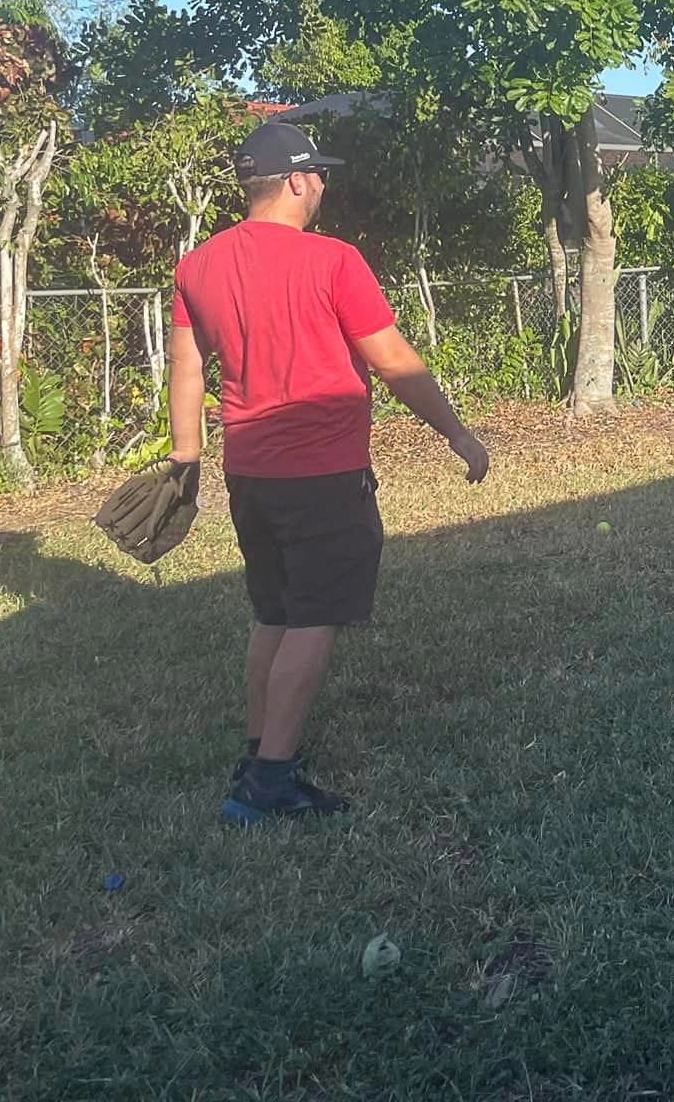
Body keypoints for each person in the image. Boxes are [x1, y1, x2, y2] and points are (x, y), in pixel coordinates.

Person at [167, 120, 490, 827]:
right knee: (315, 618)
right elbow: (392, 360)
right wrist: (457, 433)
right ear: (294, 180)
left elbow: (187, 367)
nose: (321, 186)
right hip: (322, 470)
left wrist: (185, 456)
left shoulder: (197, 266)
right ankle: (268, 783)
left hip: (248, 471)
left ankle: (257, 752)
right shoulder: (334, 260)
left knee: (274, 613)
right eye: (317, 175)